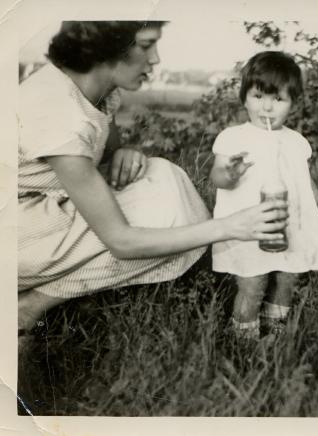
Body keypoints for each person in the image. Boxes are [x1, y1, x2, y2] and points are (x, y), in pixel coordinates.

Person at [17, 22, 289, 341]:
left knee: (162, 175)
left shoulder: (99, 92)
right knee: (167, 218)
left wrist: (125, 153)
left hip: (44, 209)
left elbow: (98, 153)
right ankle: (30, 306)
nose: (156, 58)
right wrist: (230, 227)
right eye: (146, 45)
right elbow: (120, 240)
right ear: (105, 46)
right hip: (17, 233)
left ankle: (45, 297)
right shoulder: (58, 110)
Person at [209, 51, 318, 341]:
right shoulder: (232, 138)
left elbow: (303, 181)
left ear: (292, 103)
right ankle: (244, 337)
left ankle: (275, 328)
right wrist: (230, 174)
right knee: (253, 283)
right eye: (258, 96)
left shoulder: (296, 141)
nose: (267, 107)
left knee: (288, 277)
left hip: (290, 225)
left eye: (278, 99)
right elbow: (216, 177)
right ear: (244, 97)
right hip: (249, 228)